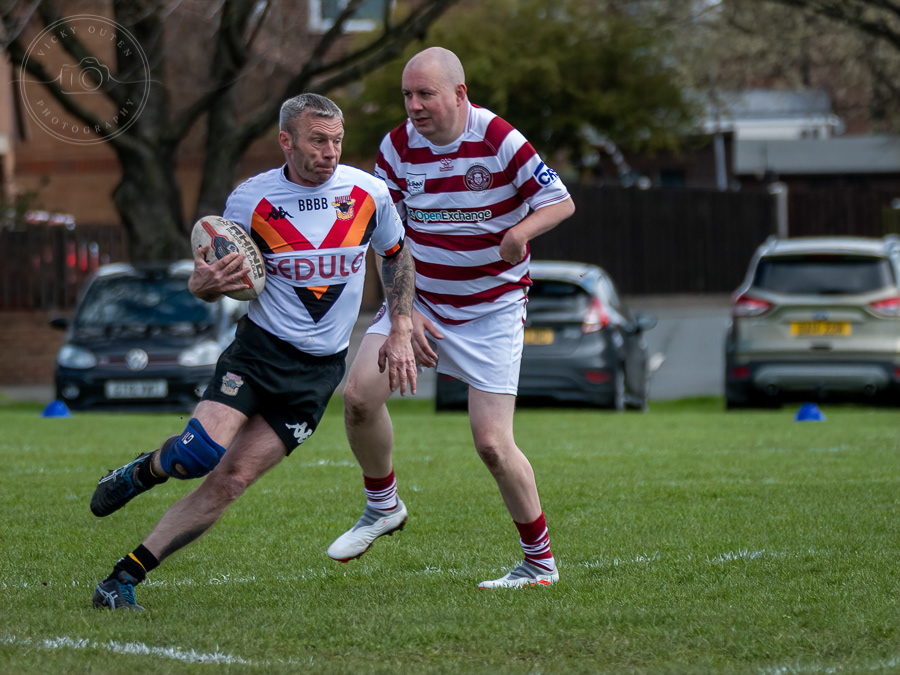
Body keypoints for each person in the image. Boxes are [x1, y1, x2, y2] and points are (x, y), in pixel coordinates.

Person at [89, 93, 417, 610]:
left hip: (317, 374)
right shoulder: (249, 201)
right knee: (198, 455)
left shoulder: (369, 193)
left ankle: (122, 578)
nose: (330, 151)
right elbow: (215, 279)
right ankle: (139, 472)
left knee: (232, 480)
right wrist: (204, 285)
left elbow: (396, 257)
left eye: (337, 140)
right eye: (317, 140)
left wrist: (400, 326)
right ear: (286, 141)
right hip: (258, 354)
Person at [327, 47, 575, 588]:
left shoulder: (499, 138)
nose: (414, 106)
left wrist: (518, 234)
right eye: (407, 95)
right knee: (358, 398)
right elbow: (384, 240)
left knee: (492, 444)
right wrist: (405, 313)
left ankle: (539, 564)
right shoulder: (395, 148)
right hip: (424, 302)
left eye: (425, 94)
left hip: (493, 308)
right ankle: (382, 507)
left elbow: (560, 202)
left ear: (460, 94)